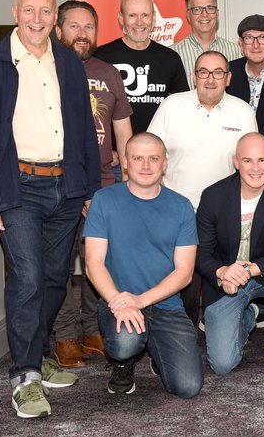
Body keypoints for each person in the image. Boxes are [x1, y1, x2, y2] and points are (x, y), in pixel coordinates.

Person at [0, 0, 100, 418]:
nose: (37, 19)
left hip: (66, 187)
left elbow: (83, 129)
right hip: (17, 188)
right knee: (26, 279)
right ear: (15, 10)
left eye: (45, 11)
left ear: (53, 15)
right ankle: (24, 375)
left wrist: (89, 190)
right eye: (29, 10)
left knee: (55, 279)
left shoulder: (67, 62)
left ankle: (40, 353)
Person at [84, 133, 203, 399]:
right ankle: (123, 364)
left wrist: (140, 300)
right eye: (138, 158)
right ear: (125, 163)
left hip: (166, 306)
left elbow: (184, 274)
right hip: (118, 304)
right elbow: (93, 264)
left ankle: (158, 350)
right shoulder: (104, 200)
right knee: (125, 342)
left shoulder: (182, 207)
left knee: (188, 387)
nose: (146, 165)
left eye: (153, 158)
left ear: (165, 163)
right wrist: (119, 300)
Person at [148, 50, 257, 329]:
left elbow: (252, 162)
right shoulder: (172, 105)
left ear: (229, 78)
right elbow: (151, 154)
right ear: (194, 76)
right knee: (180, 279)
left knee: (216, 279)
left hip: (224, 212)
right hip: (175, 209)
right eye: (204, 72)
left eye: (218, 72)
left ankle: (221, 322)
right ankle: (176, 335)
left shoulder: (243, 111)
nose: (211, 79)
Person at [52, 0, 133, 368]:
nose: (82, 34)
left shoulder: (109, 72)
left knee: (99, 261)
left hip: (103, 184)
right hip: (57, 186)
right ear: (58, 29)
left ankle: (92, 330)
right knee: (60, 266)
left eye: (89, 27)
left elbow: (122, 130)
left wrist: (128, 177)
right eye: (74, 26)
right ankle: (66, 335)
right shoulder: (47, 69)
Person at [195, 133, 264, 385]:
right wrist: (221, 272)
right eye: (247, 161)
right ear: (236, 162)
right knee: (222, 364)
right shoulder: (213, 196)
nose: (255, 168)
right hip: (225, 284)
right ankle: (250, 315)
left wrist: (248, 270)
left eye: (262, 160)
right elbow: (200, 252)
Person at [95, 0, 189, 135]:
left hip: (158, 151)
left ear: (153, 18)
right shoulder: (101, 57)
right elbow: (92, 109)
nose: (139, 22)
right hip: (114, 155)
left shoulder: (170, 58)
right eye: (132, 15)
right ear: (121, 18)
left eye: (145, 15)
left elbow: (182, 108)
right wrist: (108, 151)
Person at [171, 0, 243, 90]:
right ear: (188, 15)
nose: (204, 14)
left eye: (210, 8)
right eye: (197, 9)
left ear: (217, 14)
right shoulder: (173, 54)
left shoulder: (236, 51)